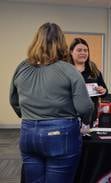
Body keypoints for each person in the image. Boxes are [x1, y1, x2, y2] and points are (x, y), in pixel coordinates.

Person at [9, 23, 94, 183]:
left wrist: (32, 116)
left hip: (28, 132)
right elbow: (84, 107)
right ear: (61, 43)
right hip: (61, 135)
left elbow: (13, 101)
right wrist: (86, 121)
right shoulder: (69, 70)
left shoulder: (22, 67)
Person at [69, 38, 108, 127]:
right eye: (79, 50)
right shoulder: (65, 70)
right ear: (71, 52)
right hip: (70, 116)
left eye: (85, 50)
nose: (83, 53)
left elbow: (105, 92)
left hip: (90, 118)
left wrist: (103, 91)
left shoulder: (94, 70)